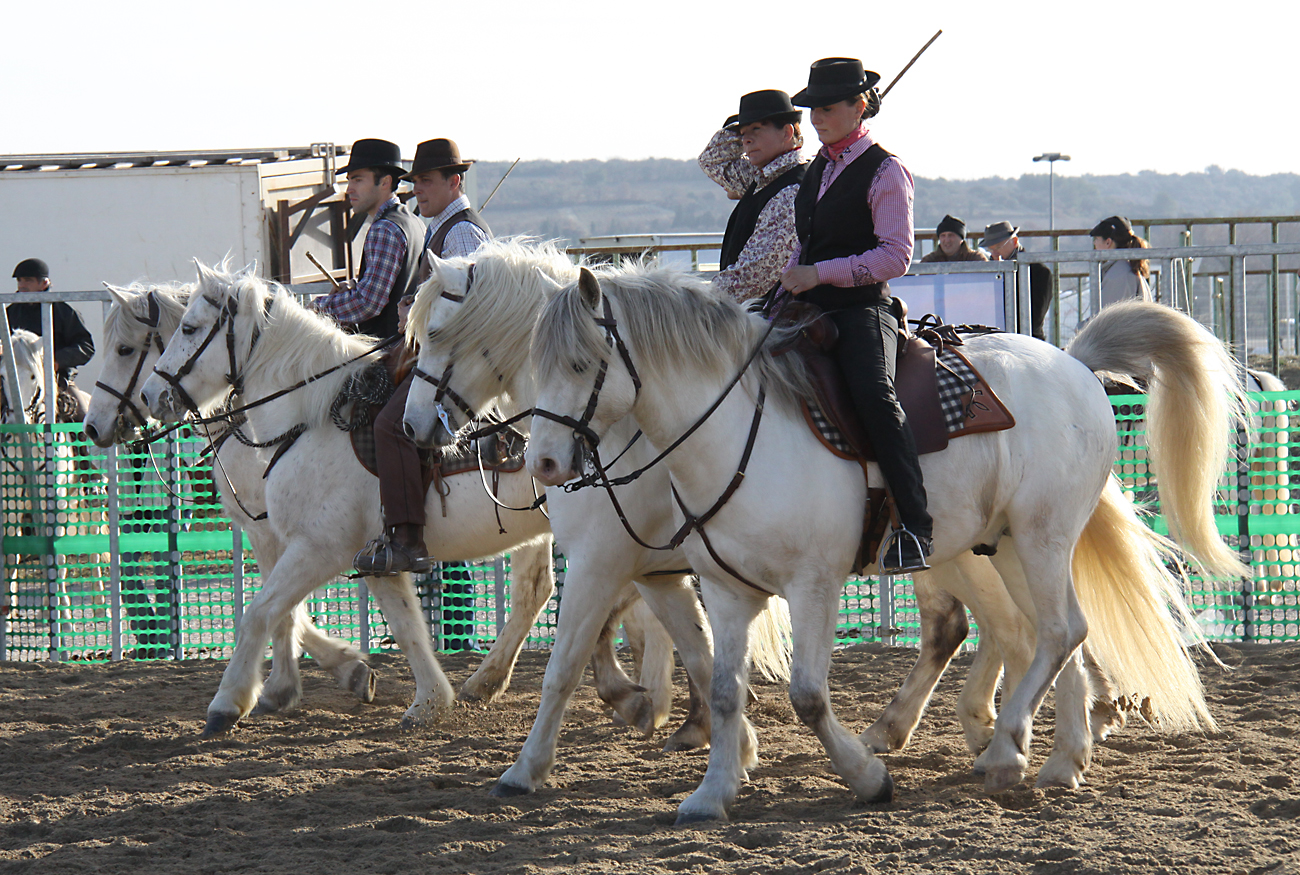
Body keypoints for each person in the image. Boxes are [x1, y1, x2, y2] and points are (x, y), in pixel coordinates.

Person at [778, 57, 930, 574]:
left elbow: (895, 257)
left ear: (858, 106)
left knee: (874, 396)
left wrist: (820, 273)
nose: (817, 116)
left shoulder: (887, 170)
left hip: (864, 308)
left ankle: (915, 525)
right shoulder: (817, 169)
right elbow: (808, 243)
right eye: (813, 108)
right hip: (805, 305)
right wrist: (794, 274)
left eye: (827, 106)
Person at [309, 138, 431, 575]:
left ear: (386, 181)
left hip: (387, 353)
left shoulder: (383, 228)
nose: (349, 189)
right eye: (350, 180)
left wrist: (313, 311)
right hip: (401, 349)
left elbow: (368, 303)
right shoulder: (413, 223)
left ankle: (390, 528)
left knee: (371, 425)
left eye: (358, 180)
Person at [698, 90, 807, 303]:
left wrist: (700, 301)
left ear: (786, 132)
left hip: (772, 319)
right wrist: (744, 133)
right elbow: (711, 160)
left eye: (757, 129)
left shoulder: (792, 190)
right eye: (743, 133)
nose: (746, 139)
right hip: (753, 314)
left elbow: (755, 273)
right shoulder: (759, 178)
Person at [9, 258, 95, 419]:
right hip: (15, 383)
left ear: (44, 283)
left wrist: (55, 360)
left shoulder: (64, 312)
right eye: (19, 280)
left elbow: (86, 347)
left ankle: (83, 445)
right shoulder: (9, 313)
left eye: (28, 280)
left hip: (58, 381)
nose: (22, 285)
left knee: (84, 420)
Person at [982, 221, 1052, 341]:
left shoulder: (1039, 272)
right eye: (991, 249)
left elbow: (1035, 320)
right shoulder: (987, 273)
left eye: (998, 247)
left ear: (1014, 242)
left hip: (1028, 342)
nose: (995, 253)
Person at [1091, 215, 1151, 307]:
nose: (1094, 243)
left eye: (1097, 239)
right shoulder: (1125, 268)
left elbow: (1109, 317)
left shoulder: (1118, 275)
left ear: (1108, 242)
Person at [920, 215, 987, 263]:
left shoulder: (975, 259)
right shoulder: (929, 261)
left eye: (951, 235)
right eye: (943, 236)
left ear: (961, 238)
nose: (947, 240)